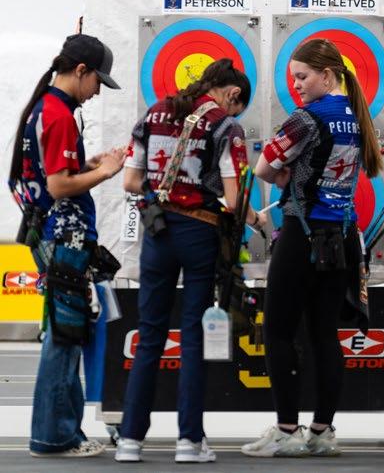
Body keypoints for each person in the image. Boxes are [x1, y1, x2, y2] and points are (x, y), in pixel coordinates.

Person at [242, 38, 383, 458]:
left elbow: (263, 167)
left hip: (302, 235)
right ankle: (321, 432)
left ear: (327, 74)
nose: (297, 85)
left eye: (302, 76)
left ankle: (287, 430)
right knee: (324, 334)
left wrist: (283, 178)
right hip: (342, 237)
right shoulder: (356, 115)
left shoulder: (306, 118)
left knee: (278, 331)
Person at [115, 58, 252, 464]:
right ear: (232, 93)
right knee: (193, 336)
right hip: (200, 233)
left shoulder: (154, 113)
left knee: (149, 335)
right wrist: (257, 219)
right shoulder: (226, 127)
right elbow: (234, 200)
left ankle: (129, 440)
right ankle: (189, 442)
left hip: (157, 232)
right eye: (236, 104)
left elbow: (130, 181)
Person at [9, 34, 125, 459]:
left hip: (49, 235)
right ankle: (54, 436)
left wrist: (86, 165)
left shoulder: (42, 109)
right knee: (65, 337)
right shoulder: (58, 114)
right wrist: (107, 171)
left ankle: (63, 432)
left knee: (66, 334)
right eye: (97, 81)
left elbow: (42, 178)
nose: (97, 92)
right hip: (66, 239)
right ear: (80, 70)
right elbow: (59, 186)